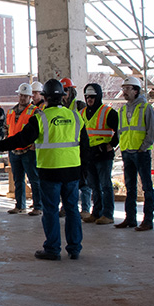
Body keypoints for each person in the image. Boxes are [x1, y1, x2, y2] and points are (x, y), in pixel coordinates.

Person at [0, 79, 88, 260]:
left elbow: (20, 139)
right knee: (72, 210)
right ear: (63, 96)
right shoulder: (76, 117)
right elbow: (85, 147)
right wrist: (84, 172)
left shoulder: (40, 118)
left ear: (44, 97)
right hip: (72, 171)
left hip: (50, 171)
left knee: (51, 211)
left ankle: (53, 249)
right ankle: (74, 248)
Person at [116, 76, 154, 230]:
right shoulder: (123, 109)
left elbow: (151, 130)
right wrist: (123, 147)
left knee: (147, 187)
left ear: (136, 90)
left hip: (141, 152)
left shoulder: (146, 108)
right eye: (123, 88)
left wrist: (143, 147)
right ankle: (130, 218)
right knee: (130, 187)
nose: (124, 92)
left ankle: (148, 220)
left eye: (127, 89)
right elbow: (122, 130)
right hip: (127, 151)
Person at [80, 83, 119, 225]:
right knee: (94, 186)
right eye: (87, 97)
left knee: (105, 185)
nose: (89, 99)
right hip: (90, 155)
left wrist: (110, 145)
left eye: (92, 97)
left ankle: (108, 214)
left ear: (99, 96)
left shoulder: (108, 112)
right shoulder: (82, 113)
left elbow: (119, 131)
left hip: (103, 155)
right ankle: (96, 213)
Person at [6, 83, 41, 215]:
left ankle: (38, 206)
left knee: (34, 179)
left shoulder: (35, 111)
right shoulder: (11, 111)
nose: (22, 98)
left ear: (30, 96)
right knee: (18, 179)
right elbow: (7, 129)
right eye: (21, 95)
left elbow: (41, 130)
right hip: (14, 151)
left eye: (25, 96)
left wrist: (35, 144)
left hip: (28, 151)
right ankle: (20, 205)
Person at [61, 77, 90, 215]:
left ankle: (85, 209)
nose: (64, 93)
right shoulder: (58, 107)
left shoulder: (80, 106)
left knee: (83, 180)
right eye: (62, 90)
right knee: (65, 180)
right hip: (66, 149)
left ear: (71, 91)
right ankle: (65, 207)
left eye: (66, 90)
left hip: (79, 147)